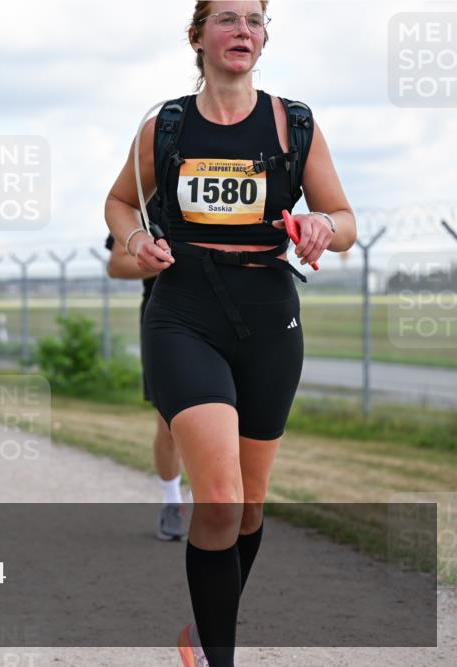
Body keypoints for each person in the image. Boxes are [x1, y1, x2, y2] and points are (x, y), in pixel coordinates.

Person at [104, 3, 356, 665]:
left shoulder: (293, 123)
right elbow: (120, 201)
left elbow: (344, 216)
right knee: (218, 496)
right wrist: (136, 239)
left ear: (264, 37)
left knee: (248, 507)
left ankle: (205, 633)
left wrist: (323, 227)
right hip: (183, 311)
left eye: (255, 19)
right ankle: (220, 656)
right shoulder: (166, 125)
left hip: (270, 318)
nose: (242, 29)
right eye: (226, 18)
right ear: (197, 36)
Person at [105, 198, 187, 542]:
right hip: (168, 315)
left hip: (236, 313)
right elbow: (117, 264)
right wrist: (168, 262)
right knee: (170, 421)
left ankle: (225, 501)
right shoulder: (146, 198)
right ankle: (173, 502)